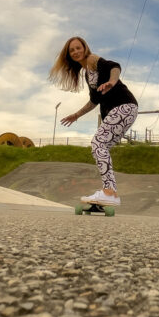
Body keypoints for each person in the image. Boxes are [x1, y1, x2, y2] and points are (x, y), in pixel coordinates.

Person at [49, 36, 138, 206]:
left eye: (78, 48)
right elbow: (94, 100)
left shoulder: (92, 60)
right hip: (125, 109)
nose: (76, 52)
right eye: (72, 50)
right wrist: (77, 115)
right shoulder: (86, 74)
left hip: (123, 105)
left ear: (85, 48)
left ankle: (109, 192)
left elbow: (114, 66)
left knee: (98, 143)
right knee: (100, 147)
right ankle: (111, 193)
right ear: (69, 55)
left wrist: (112, 81)